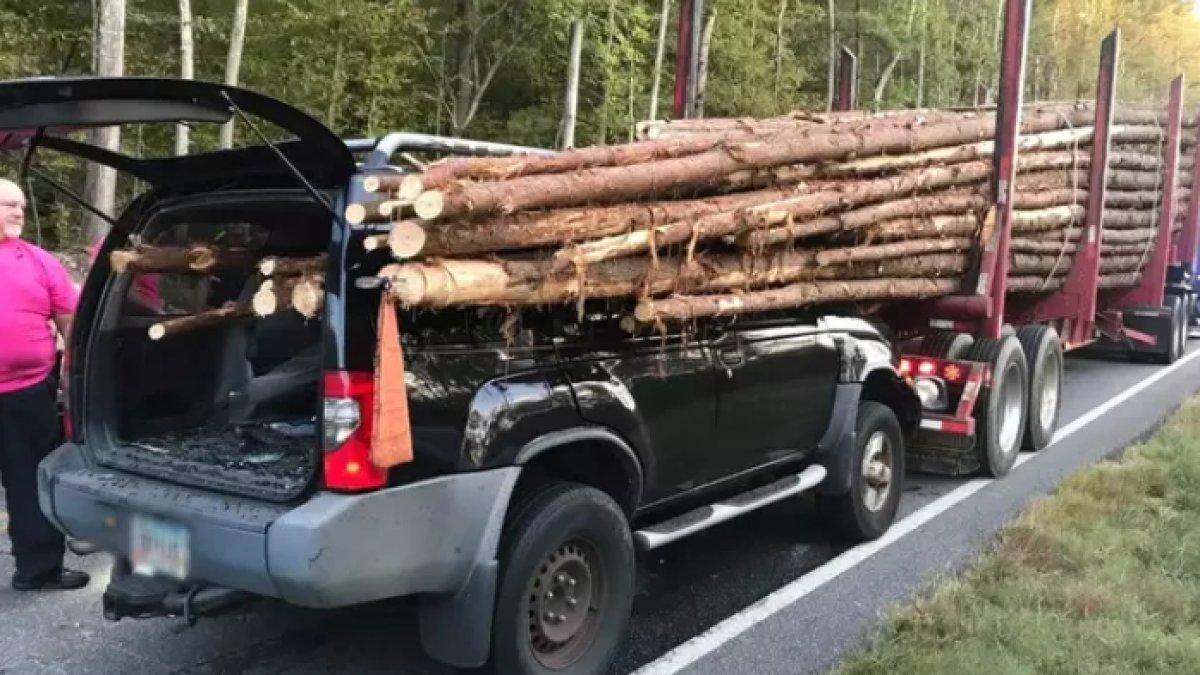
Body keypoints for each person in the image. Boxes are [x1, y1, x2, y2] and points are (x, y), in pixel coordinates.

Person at [0, 178, 88, 590]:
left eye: (20, 204)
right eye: (7, 204)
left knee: (27, 481)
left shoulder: (37, 260)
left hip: (27, 392)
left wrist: (71, 371)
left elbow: (69, 319)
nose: (18, 212)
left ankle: (38, 569)